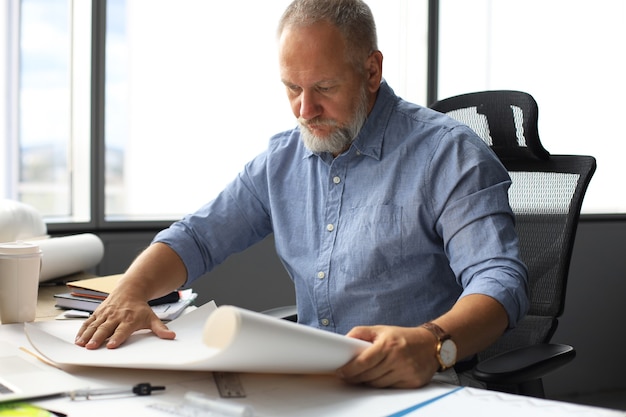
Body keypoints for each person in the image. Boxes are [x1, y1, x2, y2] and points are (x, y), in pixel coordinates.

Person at [75, 0, 528, 389]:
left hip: (419, 384)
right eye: (292, 88)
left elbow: (499, 280)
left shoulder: (449, 154)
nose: (305, 110)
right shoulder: (283, 159)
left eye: (325, 88)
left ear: (371, 71)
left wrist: (432, 345)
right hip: (316, 385)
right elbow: (198, 236)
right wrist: (130, 293)